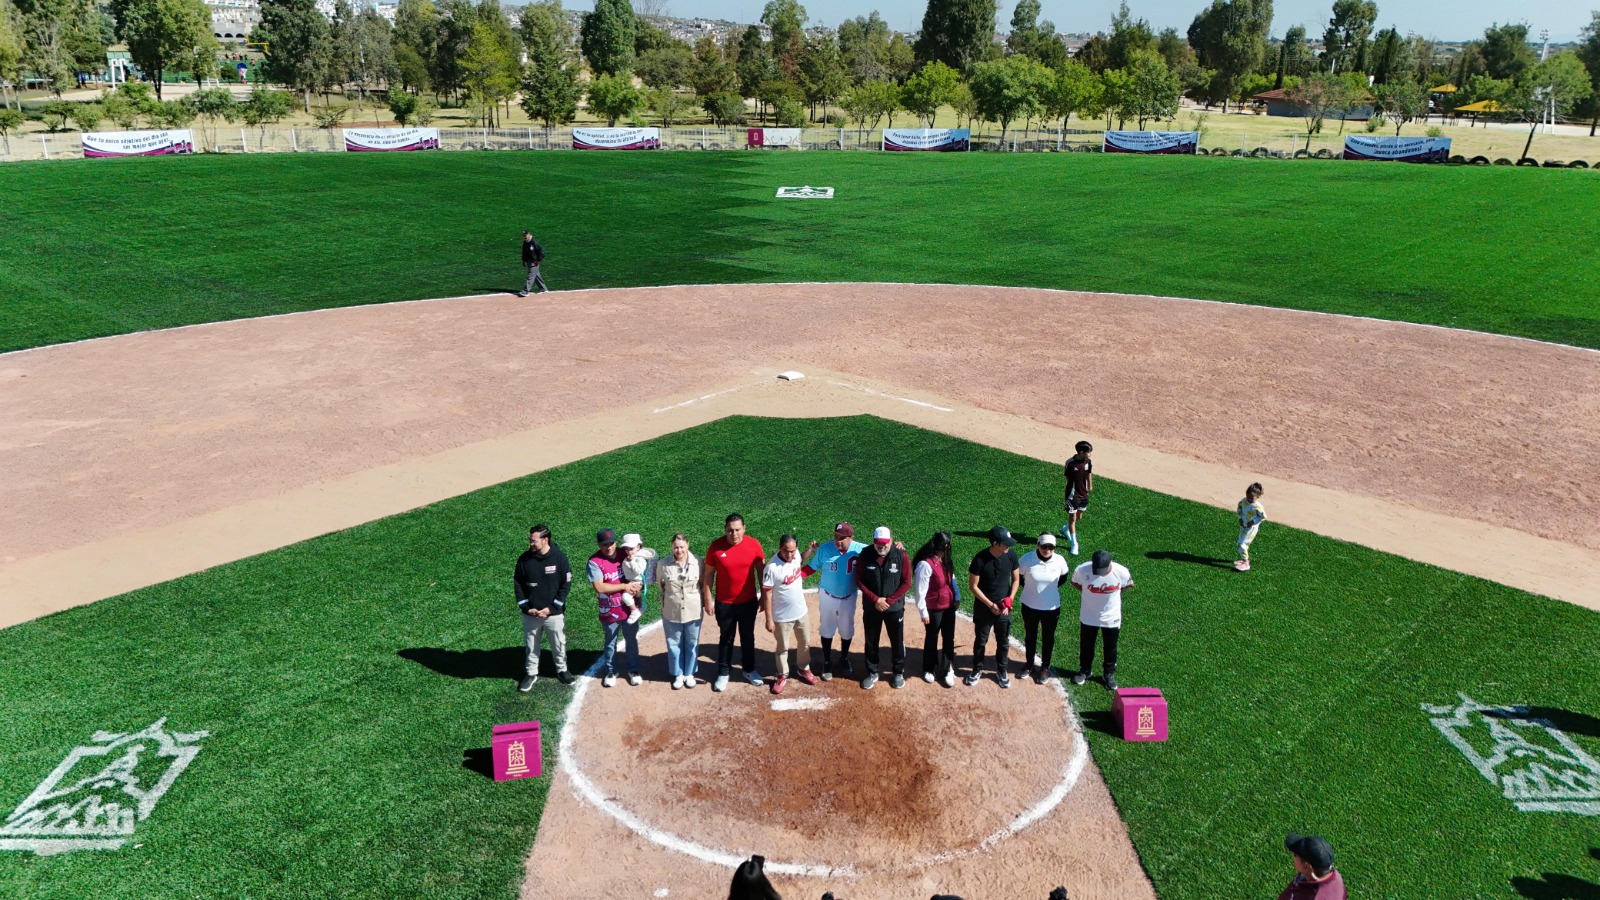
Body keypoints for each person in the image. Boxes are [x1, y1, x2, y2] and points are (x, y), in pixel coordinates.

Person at [702, 513, 766, 692]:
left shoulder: (754, 545)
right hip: (725, 603)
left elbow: (761, 571)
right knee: (726, 638)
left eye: (737, 530)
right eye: (730, 530)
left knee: (748, 637)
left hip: (748, 601)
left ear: (744, 528)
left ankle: (749, 669)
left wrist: (764, 596)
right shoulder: (715, 547)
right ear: (725, 530)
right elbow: (708, 575)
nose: (734, 534)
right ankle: (723, 672)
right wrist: (708, 599)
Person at [513, 524, 575, 690]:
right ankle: (531, 673)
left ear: (545, 539)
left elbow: (565, 585)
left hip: (553, 614)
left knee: (558, 643)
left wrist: (552, 608)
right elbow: (518, 584)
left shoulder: (560, 558)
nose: (530, 544)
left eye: (534, 541)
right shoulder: (524, 559)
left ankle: (562, 670)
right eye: (530, 540)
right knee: (531, 645)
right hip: (531, 614)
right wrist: (526, 607)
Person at [761, 534, 821, 694]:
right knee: (782, 648)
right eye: (786, 551)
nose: (790, 555)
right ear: (780, 548)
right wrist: (769, 619)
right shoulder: (771, 568)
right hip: (781, 617)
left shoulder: (795, 556)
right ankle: (782, 674)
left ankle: (803, 668)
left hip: (801, 612)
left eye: (792, 551)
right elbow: (766, 594)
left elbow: (800, 559)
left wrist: (810, 551)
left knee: (805, 642)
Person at [855, 526, 911, 689]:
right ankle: (872, 672)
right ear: (873, 541)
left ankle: (898, 672)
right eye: (879, 543)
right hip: (872, 608)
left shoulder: (901, 555)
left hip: (894, 609)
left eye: (885, 543)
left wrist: (889, 601)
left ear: (891, 541)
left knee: (897, 641)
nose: (882, 546)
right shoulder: (865, 555)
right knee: (871, 641)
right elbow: (858, 580)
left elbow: (906, 582)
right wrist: (875, 600)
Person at [1069, 549, 1134, 690]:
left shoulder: (1121, 572)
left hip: (1112, 617)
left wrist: (1112, 593)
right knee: (1086, 645)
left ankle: (1108, 674)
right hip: (1088, 616)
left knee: (1110, 647)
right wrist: (1090, 592)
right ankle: (1085, 670)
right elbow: (1074, 583)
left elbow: (1129, 585)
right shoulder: (1082, 570)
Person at [966, 525, 1020, 688]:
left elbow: (1016, 579)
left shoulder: (1011, 555)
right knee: (981, 641)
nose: (1008, 546)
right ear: (995, 543)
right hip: (984, 609)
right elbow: (973, 586)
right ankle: (977, 669)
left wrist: (1009, 599)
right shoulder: (980, 560)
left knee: (1003, 641)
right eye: (1005, 543)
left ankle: (1001, 670)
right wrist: (990, 605)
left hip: (1004, 609)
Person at [589, 528, 643, 687]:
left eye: (612, 543)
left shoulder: (625, 553)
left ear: (616, 542)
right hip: (609, 611)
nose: (609, 547)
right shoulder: (594, 562)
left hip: (628, 609)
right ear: (599, 544)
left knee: (631, 641)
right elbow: (599, 587)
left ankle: (634, 670)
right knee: (610, 642)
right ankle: (612, 672)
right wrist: (624, 587)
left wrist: (638, 586)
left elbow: (639, 572)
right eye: (604, 544)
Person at [811, 521, 865, 681]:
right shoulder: (825, 549)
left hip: (849, 597)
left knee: (847, 629)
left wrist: (896, 546)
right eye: (836, 536)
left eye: (842, 538)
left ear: (851, 538)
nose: (838, 541)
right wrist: (793, 576)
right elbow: (811, 568)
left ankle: (844, 658)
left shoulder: (861, 549)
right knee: (826, 628)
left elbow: (882, 550)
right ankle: (827, 662)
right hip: (827, 596)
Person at [1018, 532, 1073, 684]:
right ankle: (1029, 664)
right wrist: (1030, 588)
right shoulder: (1027, 559)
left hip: (1051, 607)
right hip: (1029, 605)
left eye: (1051, 547)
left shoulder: (1060, 561)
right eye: (1044, 546)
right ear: (1038, 545)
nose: (1047, 549)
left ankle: (1045, 667)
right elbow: (1017, 576)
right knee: (1030, 636)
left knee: (1048, 638)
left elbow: (1063, 578)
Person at [912, 531, 960, 687]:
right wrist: (923, 612)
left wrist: (956, 596)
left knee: (948, 638)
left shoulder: (945, 561)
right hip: (934, 609)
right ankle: (929, 669)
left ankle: (946, 669)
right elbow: (920, 591)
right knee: (932, 638)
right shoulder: (925, 565)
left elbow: (952, 579)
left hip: (948, 608)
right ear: (946, 546)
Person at [655, 533, 703, 689]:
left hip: (693, 610)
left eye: (682, 546)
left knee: (692, 643)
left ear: (688, 545)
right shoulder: (663, 564)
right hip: (671, 610)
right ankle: (678, 674)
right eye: (676, 547)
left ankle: (689, 673)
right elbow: (660, 585)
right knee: (673, 643)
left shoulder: (699, 562)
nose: (679, 550)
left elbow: (702, 584)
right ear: (672, 547)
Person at [1278, 833, 1346, 899]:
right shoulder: (1335, 876)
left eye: (1295, 855)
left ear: (1307, 866)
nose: (1293, 857)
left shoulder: (1312, 897)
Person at [1060, 441, 1093, 556]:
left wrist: (1090, 485)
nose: (1090, 454)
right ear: (1081, 452)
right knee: (1073, 517)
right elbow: (1068, 478)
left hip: (1084, 493)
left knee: (1079, 516)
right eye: (1089, 452)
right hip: (1072, 495)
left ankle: (1065, 528)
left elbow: (1089, 472)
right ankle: (1074, 544)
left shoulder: (1088, 461)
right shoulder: (1070, 463)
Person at [618, 533, 656, 624]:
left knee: (625, 596)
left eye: (631, 549)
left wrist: (631, 562)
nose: (628, 551)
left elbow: (638, 570)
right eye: (626, 549)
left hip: (637, 582)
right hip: (631, 581)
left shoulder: (640, 558)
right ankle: (641, 605)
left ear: (638, 547)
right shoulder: (632, 556)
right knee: (637, 595)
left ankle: (634, 610)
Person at [1235, 482, 1267, 572]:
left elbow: (1263, 517)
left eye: (1251, 498)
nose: (1249, 499)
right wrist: (1240, 518)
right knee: (1239, 543)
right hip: (1243, 525)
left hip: (1251, 528)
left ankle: (1246, 563)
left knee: (1242, 544)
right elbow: (1239, 509)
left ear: (1258, 497)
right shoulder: (1244, 501)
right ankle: (1244, 558)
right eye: (1248, 496)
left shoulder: (1257, 507)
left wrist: (1253, 522)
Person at [517, 230, 547, 297]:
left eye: (526, 235)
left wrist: (538, 260)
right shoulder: (525, 242)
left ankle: (525, 291)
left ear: (529, 234)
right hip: (528, 261)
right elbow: (524, 252)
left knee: (531, 276)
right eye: (524, 235)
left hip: (534, 262)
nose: (525, 236)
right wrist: (523, 260)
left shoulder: (534, 242)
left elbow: (542, 252)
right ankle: (543, 289)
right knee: (536, 275)